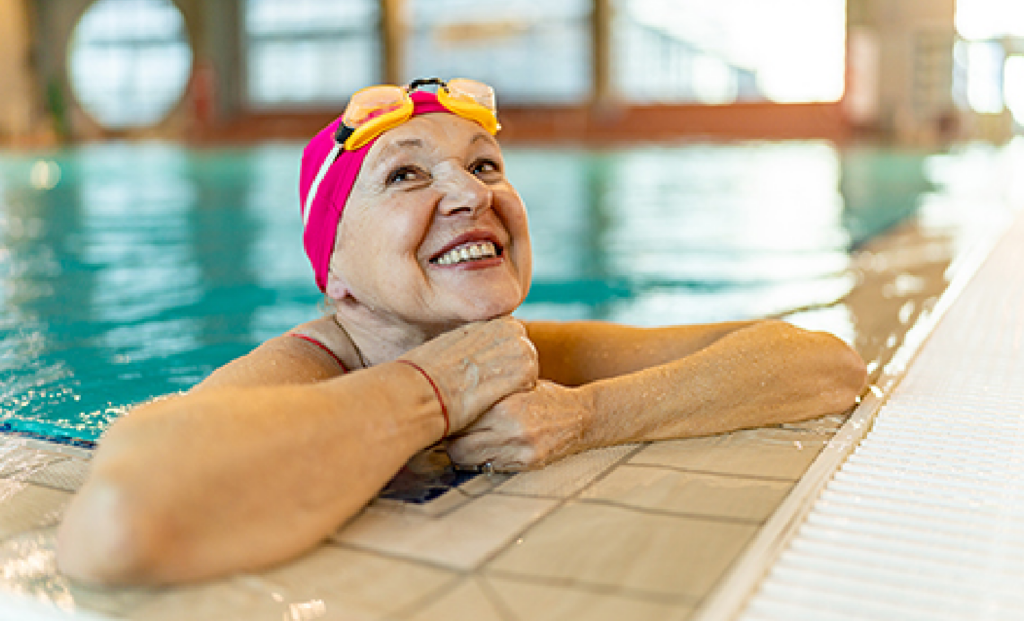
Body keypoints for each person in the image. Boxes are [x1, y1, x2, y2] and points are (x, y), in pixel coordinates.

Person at [56, 78, 866, 587]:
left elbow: (822, 365)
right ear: (334, 273)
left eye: (484, 166)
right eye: (405, 174)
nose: (470, 194)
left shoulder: (523, 347)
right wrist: (435, 392)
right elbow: (122, 518)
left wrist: (592, 415)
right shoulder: (301, 370)